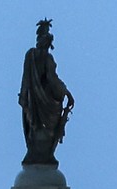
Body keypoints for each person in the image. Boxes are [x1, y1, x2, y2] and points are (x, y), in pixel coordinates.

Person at [19, 20, 75, 166]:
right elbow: (51, 78)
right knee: (47, 124)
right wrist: (66, 92)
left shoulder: (30, 55)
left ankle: (37, 151)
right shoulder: (45, 57)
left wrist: (24, 96)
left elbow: (26, 78)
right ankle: (44, 152)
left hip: (33, 99)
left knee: (34, 124)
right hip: (41, 99)